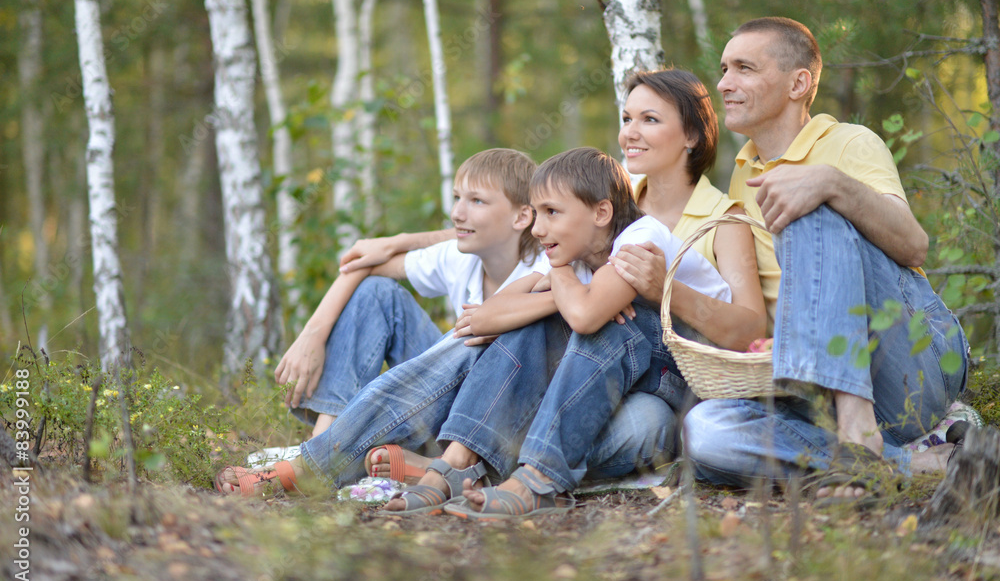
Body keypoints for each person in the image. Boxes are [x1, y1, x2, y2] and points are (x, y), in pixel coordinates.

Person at [440, 74, 769, 519]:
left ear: (691, 135)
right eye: (626, 117)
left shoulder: (720, 219)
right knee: (559, 324)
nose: (630, 131)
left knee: (622, 341)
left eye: (649, 119)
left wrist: (658, 291)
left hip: (682, 380)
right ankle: (485, 467)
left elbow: (751, 331)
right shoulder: (597, 211)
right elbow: (518, 307)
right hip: (604, 376)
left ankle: (503, 469)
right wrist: (568, 287)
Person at [680, 17, 969, 504]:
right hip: (811, 388)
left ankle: (859, 433)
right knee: (703, 431)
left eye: (744, 68)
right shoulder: (741, 172)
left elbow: (913, 245)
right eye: (724, 69)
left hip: (907, 366)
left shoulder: (850, 142)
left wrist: (831, 183)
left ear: (799, 83)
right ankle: (908, 463)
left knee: (809, 207)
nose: (724, 83)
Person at [381, 145, 737, 514]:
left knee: (606, 322)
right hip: (639, 377)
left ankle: (537, 478)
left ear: (601, 212)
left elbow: (585, 318)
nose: (538, 228)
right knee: (544, 316)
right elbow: (487, 315)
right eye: (536, 213)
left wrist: (564, 275)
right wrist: (564, 287)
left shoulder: (638, 239)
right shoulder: (581, 250)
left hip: (692, 379)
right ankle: (457, 459)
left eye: (551, 212)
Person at [215, 148, 547, 494]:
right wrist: (311, 336)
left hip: (498, 422)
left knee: (471, 338)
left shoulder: (545, 265)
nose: (456, 213)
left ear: (522, 217)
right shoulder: (461, 256)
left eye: (476, 201)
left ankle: (313, 467)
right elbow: (363, 267)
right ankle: (323, 441)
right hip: (446, 399)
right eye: (456, 198)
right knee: (376, 293)